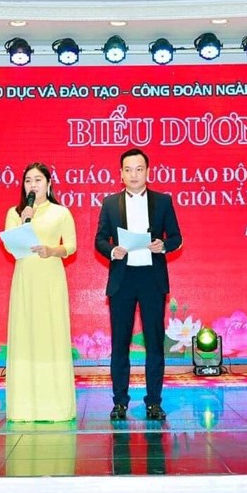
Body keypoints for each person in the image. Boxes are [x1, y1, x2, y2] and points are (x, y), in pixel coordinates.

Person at [95, 148, 182, 421]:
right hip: (122, 280)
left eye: (139, 169)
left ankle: (153, 402)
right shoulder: (110, 203)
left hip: (151, 280)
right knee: (120, 344)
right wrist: (112, 250)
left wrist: (163, 245)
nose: (134, 175)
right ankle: (119, 403)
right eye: (128, 170)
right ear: (120, 174)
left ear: (148, 171)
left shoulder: (163, 202)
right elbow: (99, 239)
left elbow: (177, 237)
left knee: (154, 345)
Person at [3, 162, 77, 422]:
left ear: (49, 183)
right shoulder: (15, 213)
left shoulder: (61, 212)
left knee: (51, 333)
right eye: (28, 181)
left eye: (38, 180)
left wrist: (51, 250)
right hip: (25, 278)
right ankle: (24, 407)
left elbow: (71, 246)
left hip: (50, 277)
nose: (32, 185)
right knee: (26, 334)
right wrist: (25, 220)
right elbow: (11, 246)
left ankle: (56, 406)